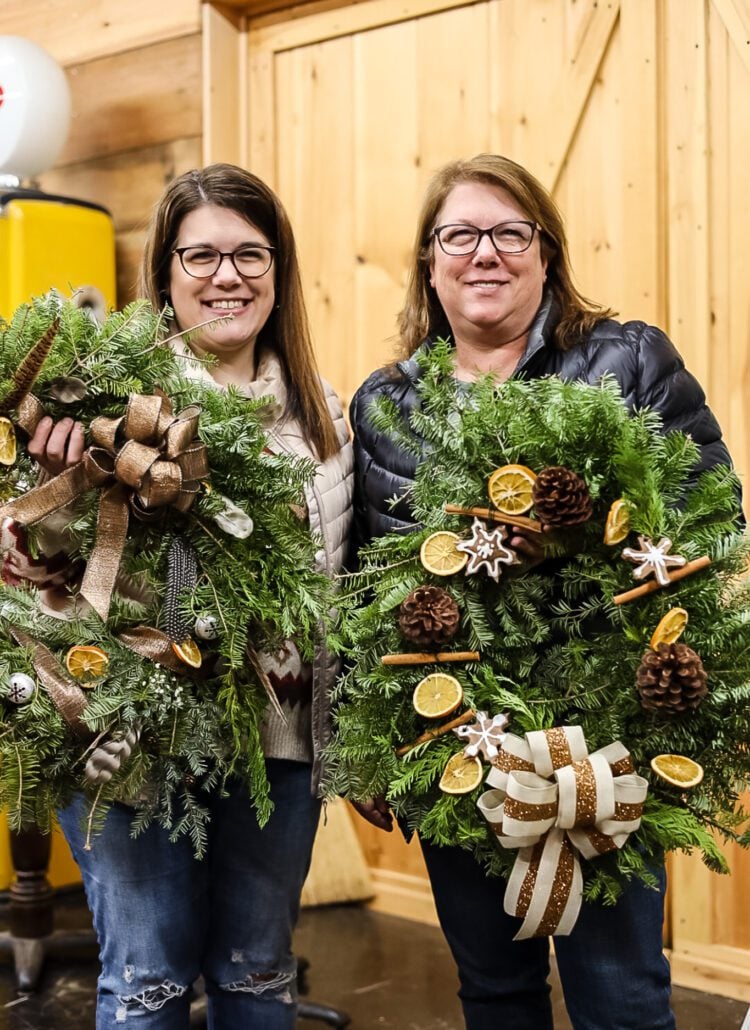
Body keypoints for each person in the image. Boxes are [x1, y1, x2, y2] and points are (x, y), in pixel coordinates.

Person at [348, 153, 737, 1030]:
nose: (484, 253)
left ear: (546, 252)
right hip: (454, 742)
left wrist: (584, 533)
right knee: (495, 992)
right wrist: (366, 748)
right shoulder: (385, 405)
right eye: (460, 235)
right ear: (429, 261)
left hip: (603, 752)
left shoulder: (625, 358)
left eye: (508, 233)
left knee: (622, 999)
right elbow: (360, 587)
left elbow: (714, 515)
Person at [4, 164, 353, 1028]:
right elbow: (37, 563)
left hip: (281, 739)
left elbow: (340, 586)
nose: (227, 276)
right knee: (148, 979)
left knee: (259, 973)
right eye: (201, 255)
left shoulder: (326, 420)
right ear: (164, 271)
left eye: (250, 254)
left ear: (279, 271)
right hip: (134, 733)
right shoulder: (99, 403)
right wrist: (41, 499)